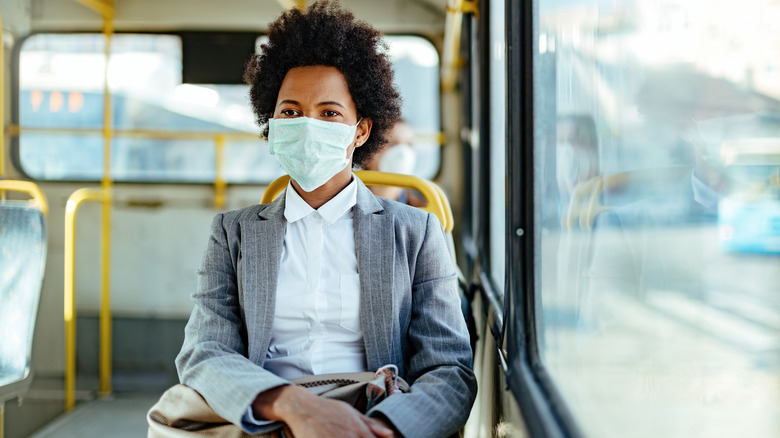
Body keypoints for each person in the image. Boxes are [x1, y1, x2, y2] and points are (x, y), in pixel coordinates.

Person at [174, 2, 477, 438]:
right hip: (266, 418)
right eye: (291, 112)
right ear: (271, 122)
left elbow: (448, 368)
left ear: (361, 130)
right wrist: (293, 407)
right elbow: (204, 351)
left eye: (329, 113)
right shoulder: (233, 232)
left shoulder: (415, 232)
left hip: (371, 417)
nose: (307, 125)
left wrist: (381, 431)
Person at [362, 119, 420, 204]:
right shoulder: (348, 204)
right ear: (369, 153)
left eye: (409, 145)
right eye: (393, 144)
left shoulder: (423, 208)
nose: (403, 153)